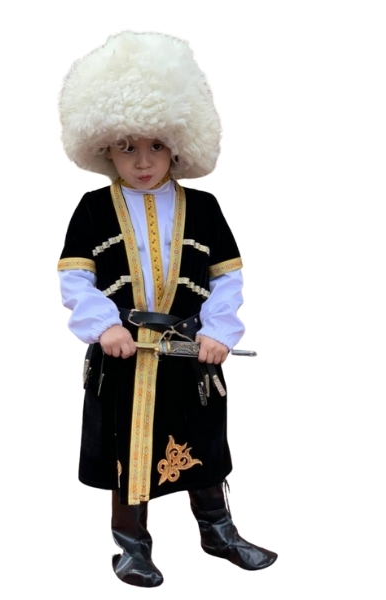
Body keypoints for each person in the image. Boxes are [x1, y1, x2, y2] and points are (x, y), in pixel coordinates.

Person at [57, 31, 277, 588]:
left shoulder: (204, 208)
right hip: (123, 357)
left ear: (177, 145)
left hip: (190, 353)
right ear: (104, 148)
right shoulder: (92, 209)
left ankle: (218, 532)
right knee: (125, 453)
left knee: (204, 445)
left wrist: (219, 331)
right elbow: (76, 278)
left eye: (156, 146)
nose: (142, 160)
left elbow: (227, 279)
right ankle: (132, 546)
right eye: (126, 147)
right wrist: (104, 326)